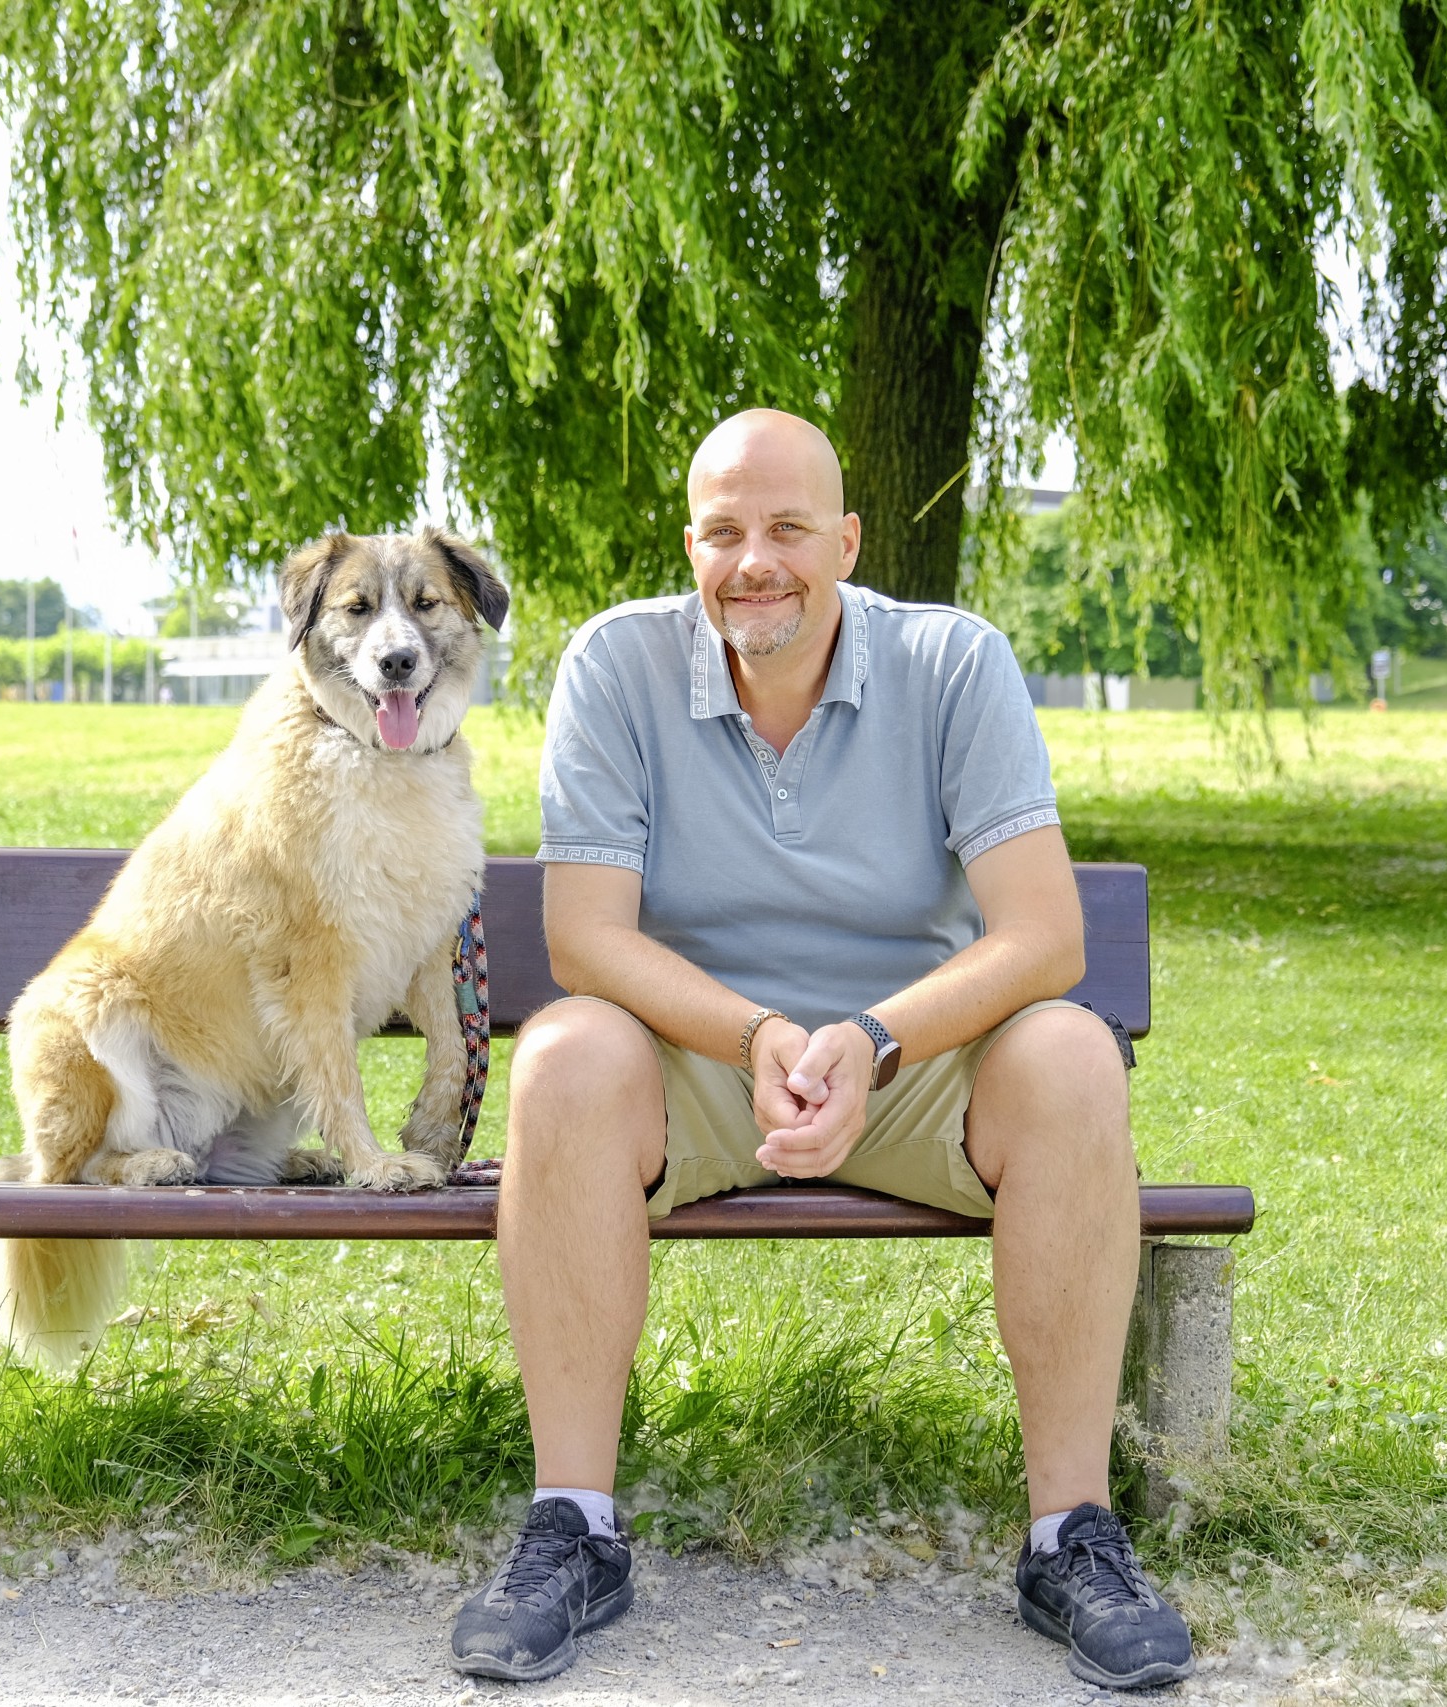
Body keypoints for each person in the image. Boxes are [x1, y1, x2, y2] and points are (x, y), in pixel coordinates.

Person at [446, 410, 1194, 1690]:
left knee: (1073, 1057)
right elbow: (584, 939)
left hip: (911, 1067)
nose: (755, 562)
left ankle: (1071, 1537)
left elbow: (1045, 935)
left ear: (845, 542)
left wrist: (872, 1039)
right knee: (563, 1053)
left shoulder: (953, 663)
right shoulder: (616, 665)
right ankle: (573, 1528)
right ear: (691, 546)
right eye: (724, 532)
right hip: (697, 1065)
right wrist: (756, 1032)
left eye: (788, 529)